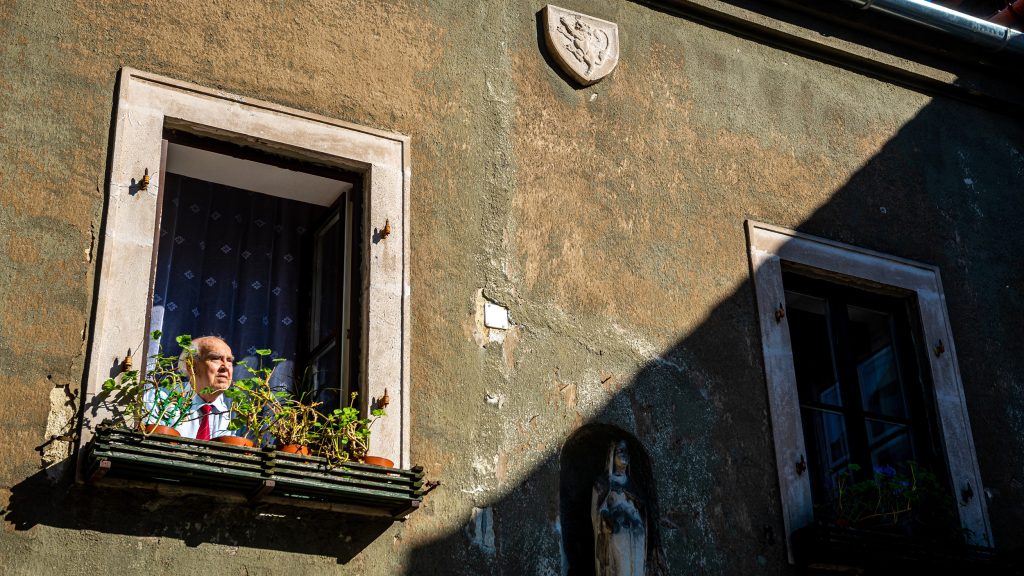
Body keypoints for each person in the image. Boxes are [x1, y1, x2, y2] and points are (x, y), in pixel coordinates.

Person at [174, 335, 236, 440]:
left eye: (229, 360)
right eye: (216, 358)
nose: (225, 367)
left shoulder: (235, 409)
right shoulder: (161, 400)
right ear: (192, 366)